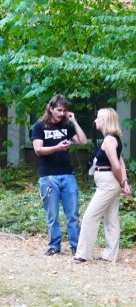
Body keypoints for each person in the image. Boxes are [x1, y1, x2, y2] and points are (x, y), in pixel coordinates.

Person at [31, 94, 88, 256]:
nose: (62, 113)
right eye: (59, 110)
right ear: (51, 109)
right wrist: (57, 148)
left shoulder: (66, 127)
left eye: (64, 110)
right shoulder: (39, 127)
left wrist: (74, 121)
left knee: (73, 214)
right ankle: (54, 245)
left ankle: (76, 246)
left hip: (68, 176)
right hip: (48, 177)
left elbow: (83, 141)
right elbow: (38, 150)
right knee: (52, 215)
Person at [74, 108, 131, 263]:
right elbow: (120, 162)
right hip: (108, 182)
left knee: (90, 216)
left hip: (108, 183)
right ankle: (110, 254)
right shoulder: (112, 138)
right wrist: (124, 182)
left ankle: (82, 254)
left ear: (105, 120)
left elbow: (116, 166)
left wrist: (122, 182)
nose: (95, 120)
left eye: (98, 117)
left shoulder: (109, 140)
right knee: (111, 218)